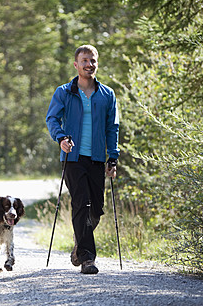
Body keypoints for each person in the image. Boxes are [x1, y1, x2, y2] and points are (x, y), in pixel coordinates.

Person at [45, 45, 119, 274]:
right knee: (82, 203)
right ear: (76, 65)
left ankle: (79, 245)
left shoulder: (107, 94)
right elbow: (52, 119)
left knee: (96, 209)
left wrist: (113, 157)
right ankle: (88, 258)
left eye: (93, 60)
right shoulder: (64, 92)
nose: (89, 64)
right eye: (85, 60)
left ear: (97, 63)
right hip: (73, 158)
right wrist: (60, 138)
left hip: (97, 157)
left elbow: (112, 127)